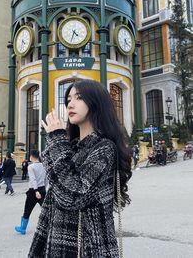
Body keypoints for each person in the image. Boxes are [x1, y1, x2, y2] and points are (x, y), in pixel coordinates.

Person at [28, 79, 132, 257]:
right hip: (57, 245)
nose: (70, 103)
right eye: (68, 99)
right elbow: (54, 201)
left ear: (96, 102)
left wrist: (57, 140)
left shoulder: (104, 148)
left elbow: (72, 196)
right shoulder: (71, 147)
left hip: (88, 249)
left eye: (79, 97)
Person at [15, 149, 46, 235]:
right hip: (42, 189)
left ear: (31, 157)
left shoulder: (31, 167)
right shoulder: (43, 165)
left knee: (27, 209)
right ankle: (50, 226)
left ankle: (23, 228)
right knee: (46, 209)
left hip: (33, 191)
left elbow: (33, 179)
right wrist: (43, 189)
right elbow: (45, 179)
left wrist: (36, 191)